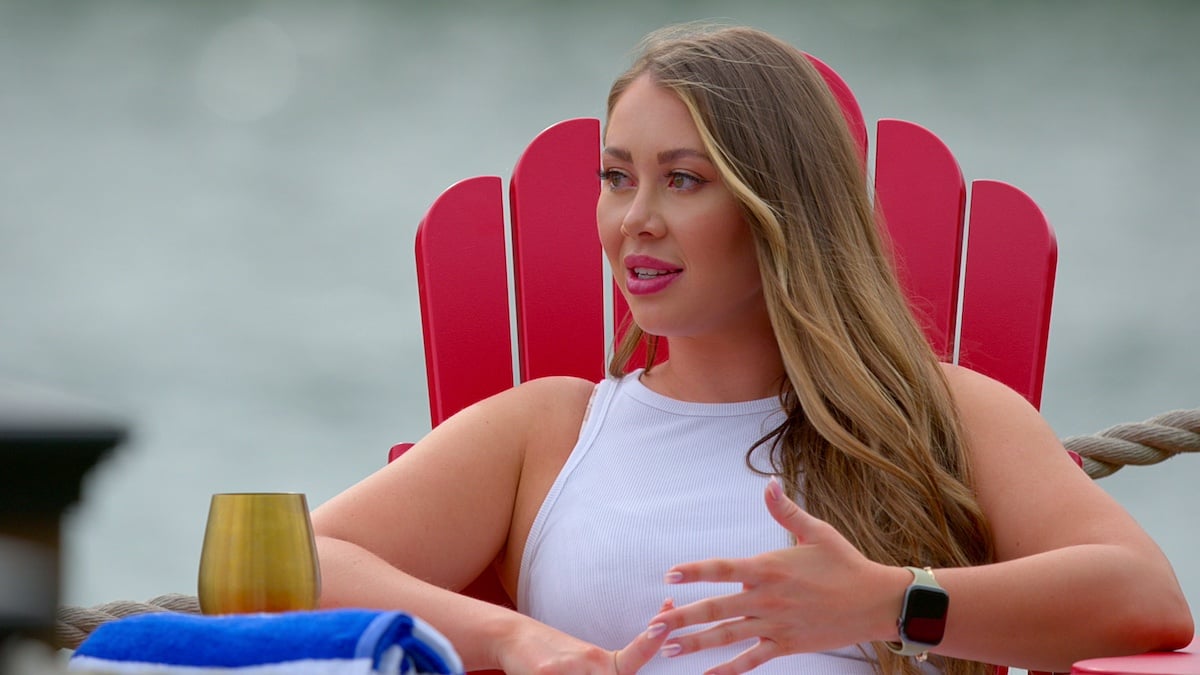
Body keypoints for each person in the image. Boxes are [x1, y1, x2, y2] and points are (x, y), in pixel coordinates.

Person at [311, 23, 1193, 675]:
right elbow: (297, 564)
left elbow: (1142, 602)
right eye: (616, 177)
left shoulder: (940, 415)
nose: (634, 219)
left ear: (781, 211)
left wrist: (890, 600)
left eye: (683, 180)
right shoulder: (550, 430)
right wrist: (511, 638)